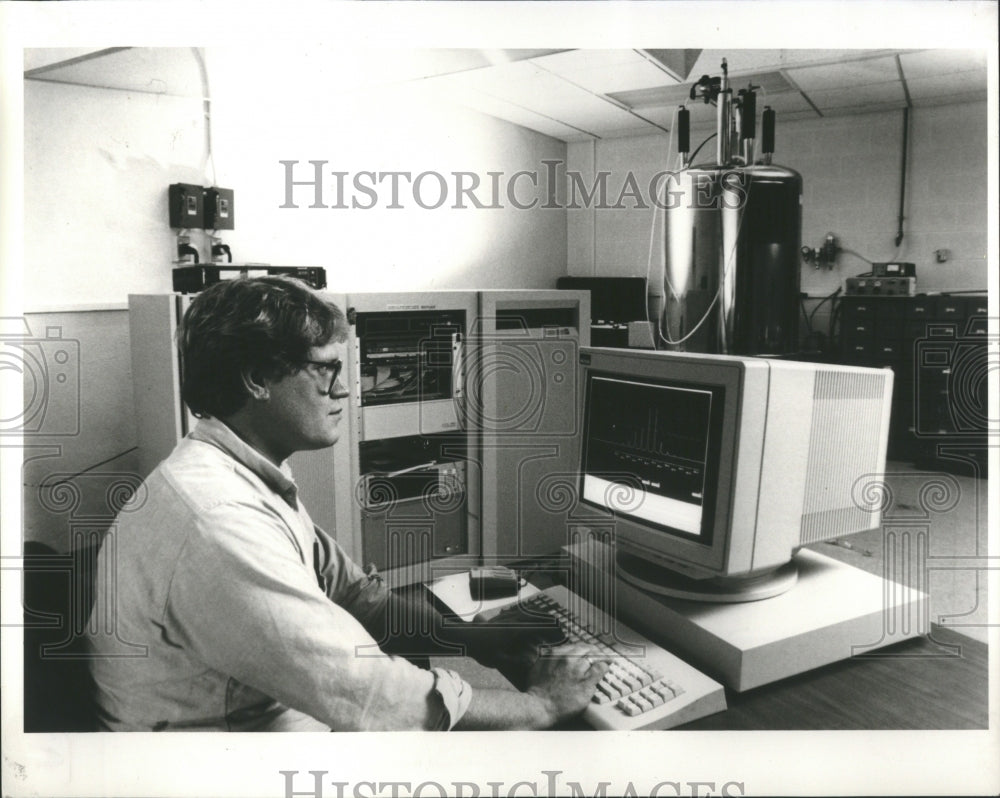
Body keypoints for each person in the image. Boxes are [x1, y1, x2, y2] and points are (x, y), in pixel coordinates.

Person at [87, 276, 609, 731]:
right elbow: (365, 694)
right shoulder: (218, 518)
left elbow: (352, 594)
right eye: (326, 370)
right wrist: (539, 706)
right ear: (255, 379)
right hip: (219, 766)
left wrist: (472, 638)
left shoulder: (236, 472)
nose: (345, 391)